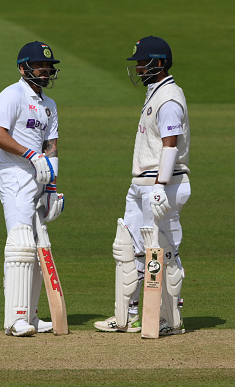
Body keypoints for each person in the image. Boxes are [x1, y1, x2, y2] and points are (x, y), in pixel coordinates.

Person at [94, 36, 190, 335]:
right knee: (131, 248)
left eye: (142, 62)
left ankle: (169, 318)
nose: (137, 68)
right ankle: (131, 313)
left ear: (159, 63)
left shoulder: (169, 97)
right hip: (141, 184)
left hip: (161, 184)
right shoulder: (155, 93)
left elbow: (170, 145)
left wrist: (161, 185)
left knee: (160, 250)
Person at [0, 41, 65, 337]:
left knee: (36, 247)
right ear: (23, 68)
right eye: (40, 66)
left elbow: (51, 145)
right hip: (15, 174)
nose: (45, 71)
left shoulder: (49, 105)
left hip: (39, 177)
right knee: (20, 244)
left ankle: (31, 315)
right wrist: (29, 155)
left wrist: (52, 187)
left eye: (48, 67)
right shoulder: (12, 94)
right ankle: (14, 318)